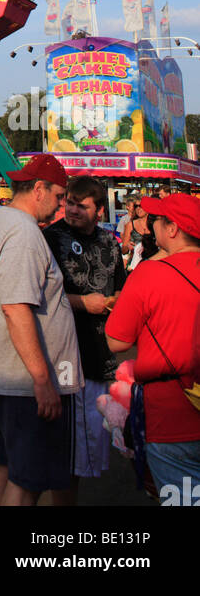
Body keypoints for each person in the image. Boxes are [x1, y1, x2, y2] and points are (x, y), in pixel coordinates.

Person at [0, 153, 83, 506]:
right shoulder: (24, 232)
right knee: (27, 480)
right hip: (22, 383)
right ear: (39, 189)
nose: (61, 207)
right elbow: (15, 308)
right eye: (59, 196)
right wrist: (42, 380)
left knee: (0, 469)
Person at [106, 193, 200, 500]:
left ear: (172, 230)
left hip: (171, 418)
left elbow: (117, 341)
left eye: (157, 219)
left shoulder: (149, 274)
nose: (151, 223)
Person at [43, 175, 127, 504]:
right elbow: (40, 293)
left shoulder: (110, 242)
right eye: (70, 203)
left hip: (100, 355)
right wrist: (82, 302)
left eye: (82, 205)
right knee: (63, 448)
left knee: (87, 446)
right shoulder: (51, 238)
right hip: (62, 354)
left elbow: (120, 284)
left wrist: (116, 300)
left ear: (100, 210)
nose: (73, 210)